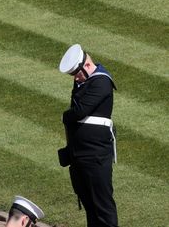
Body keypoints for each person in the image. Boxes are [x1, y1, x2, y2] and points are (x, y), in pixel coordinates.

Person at [58, 44, 118, 227]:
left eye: (76, 73)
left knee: (103, 208)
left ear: (87, 65)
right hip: (81, 154)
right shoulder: (82, 81)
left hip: (95, 154)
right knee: (90, 207)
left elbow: (79, 111)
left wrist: (66, 116)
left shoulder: (101, 82)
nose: (75, 78)